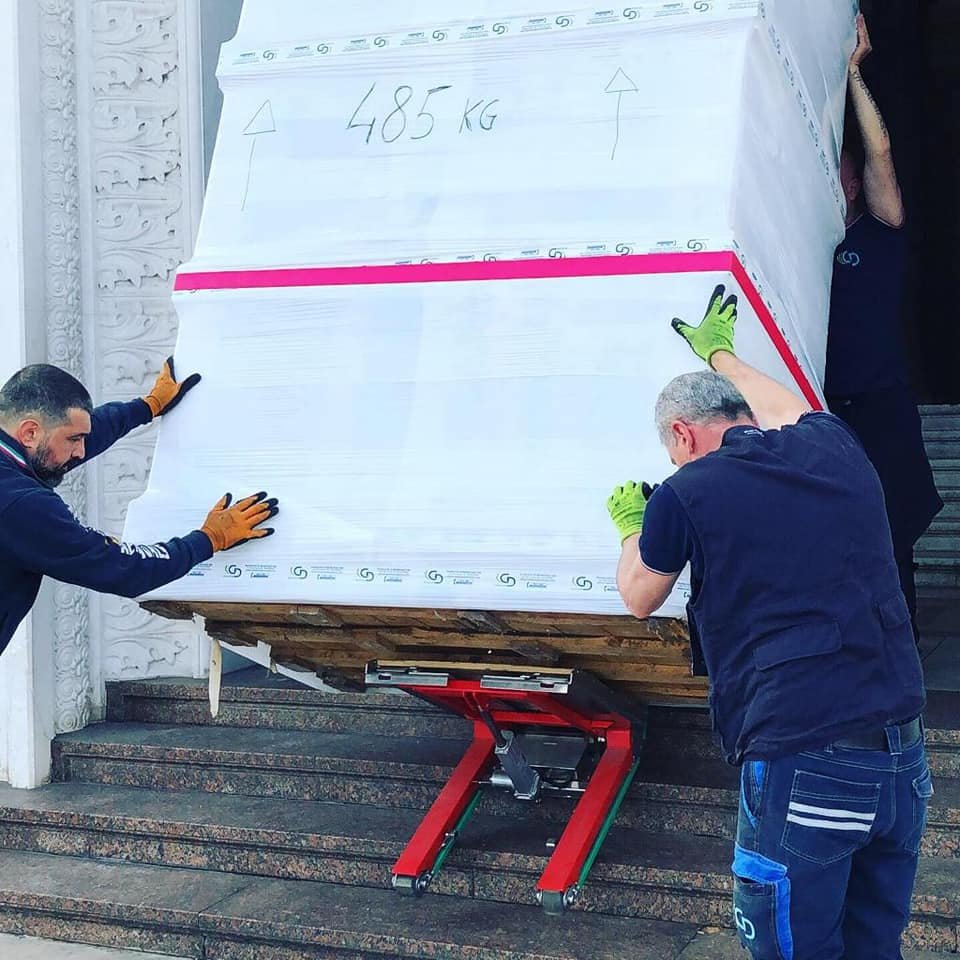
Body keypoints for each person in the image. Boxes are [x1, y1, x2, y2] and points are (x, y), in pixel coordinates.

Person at [606, 287, 930, 960]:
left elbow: (639, 595)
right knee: (876, 946)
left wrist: (635, 530)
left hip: (806, 757)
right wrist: (722, 352)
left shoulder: (686, 491)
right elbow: (785, 407)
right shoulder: (832, 443)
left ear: (680, 436)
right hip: (901, 760)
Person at [0, 360, 279, 658]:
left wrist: (147, 407)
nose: (80, 451)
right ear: (29, 433)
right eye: (74, 439)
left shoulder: (18, 462)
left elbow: (85, 435)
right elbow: (123, 568)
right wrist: (210, 539)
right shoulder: (20, 505)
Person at [826, 13, 942, 642]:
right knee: (839, 538)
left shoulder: (879, 233)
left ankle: (902, 663)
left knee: (895, 534)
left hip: (883, 408)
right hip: (825, 414)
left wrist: (852, 74)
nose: (844, 179)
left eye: (848, 171)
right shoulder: (798, 250)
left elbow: (881, 152)